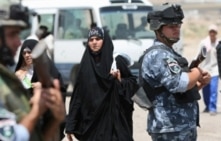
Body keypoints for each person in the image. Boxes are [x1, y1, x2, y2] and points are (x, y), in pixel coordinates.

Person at [141, 4, 211, 141]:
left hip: (179, 127)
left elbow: (177, 92)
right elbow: (179, 84)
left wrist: (199, 83)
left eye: (178, 25)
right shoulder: (158, 55)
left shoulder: (169, 54)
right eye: (171, 26)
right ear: (158, 29)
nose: (177, 29)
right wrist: (196, 71)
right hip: (170, 128)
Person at [0, 0, 66, 140]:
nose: (19, 42)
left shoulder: (8, 80)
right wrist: (36, 112)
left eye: (18, 35)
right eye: (12, 35)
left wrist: (55, 120)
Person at [65, 27, 138, 141]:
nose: (94, 42)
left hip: (115, 126)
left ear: (105, 41)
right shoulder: (85, 66)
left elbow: (133, 84)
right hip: (91, 126)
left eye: (98, 39)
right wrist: (70, 125)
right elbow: (78, 97)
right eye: (91, 39)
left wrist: (120, 81)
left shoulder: (117, 62)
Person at [14, 39, 67, 140]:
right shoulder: (19, 73)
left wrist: (42, 86)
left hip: (45, 119)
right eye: (24, 53)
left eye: (29, 52)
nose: (26, 55)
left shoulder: (45, 71)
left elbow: (59, 90)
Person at [197, 24, 219, 115]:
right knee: (205, 90)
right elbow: (198, 54)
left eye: (214, 32)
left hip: (215, 70)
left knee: (213, 90)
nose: (212, 33)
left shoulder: (218, 43)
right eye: (211, 31)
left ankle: (212, 107)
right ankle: (207, 106)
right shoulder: (203, 43)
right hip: (205, 69)